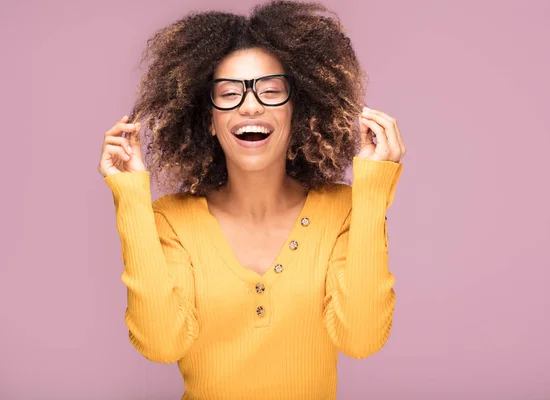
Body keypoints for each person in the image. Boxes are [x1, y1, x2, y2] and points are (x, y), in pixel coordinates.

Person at [97, 0, 406, 398]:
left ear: (298, 110)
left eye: (271, 91)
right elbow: (160, 343)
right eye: (228, 93)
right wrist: (131, 197)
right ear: (208, 118)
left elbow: (361, 338)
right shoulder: (170, 220)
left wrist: (373, 190)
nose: (251, 105)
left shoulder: (345, 210)